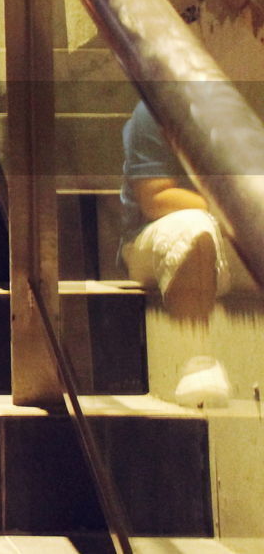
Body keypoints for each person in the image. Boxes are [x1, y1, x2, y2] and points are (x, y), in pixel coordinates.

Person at [120, 98, 241, 406]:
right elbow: (155, 198)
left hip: (237, 238)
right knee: (193, 228)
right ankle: (198, 360)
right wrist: (240, 210)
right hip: (153, 235)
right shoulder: (158, 107)